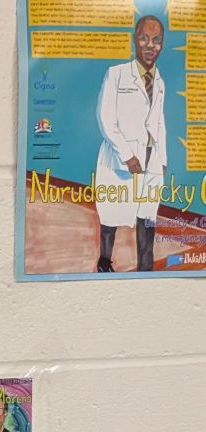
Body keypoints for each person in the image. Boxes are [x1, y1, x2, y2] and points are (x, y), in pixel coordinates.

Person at [94, 15, 166, 272]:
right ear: (135, 40)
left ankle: (145, 269)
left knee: (147, 218)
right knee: (111, 213)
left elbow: (159, 124)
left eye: (156, 40)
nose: (150, 45)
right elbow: (105, 119)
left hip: (151, 161)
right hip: (119, 161)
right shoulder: (116, 74)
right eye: (145, 38)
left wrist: (163, 161)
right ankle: (104, 263)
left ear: (162, 45)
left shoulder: (159, 82)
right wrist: (126, 155)